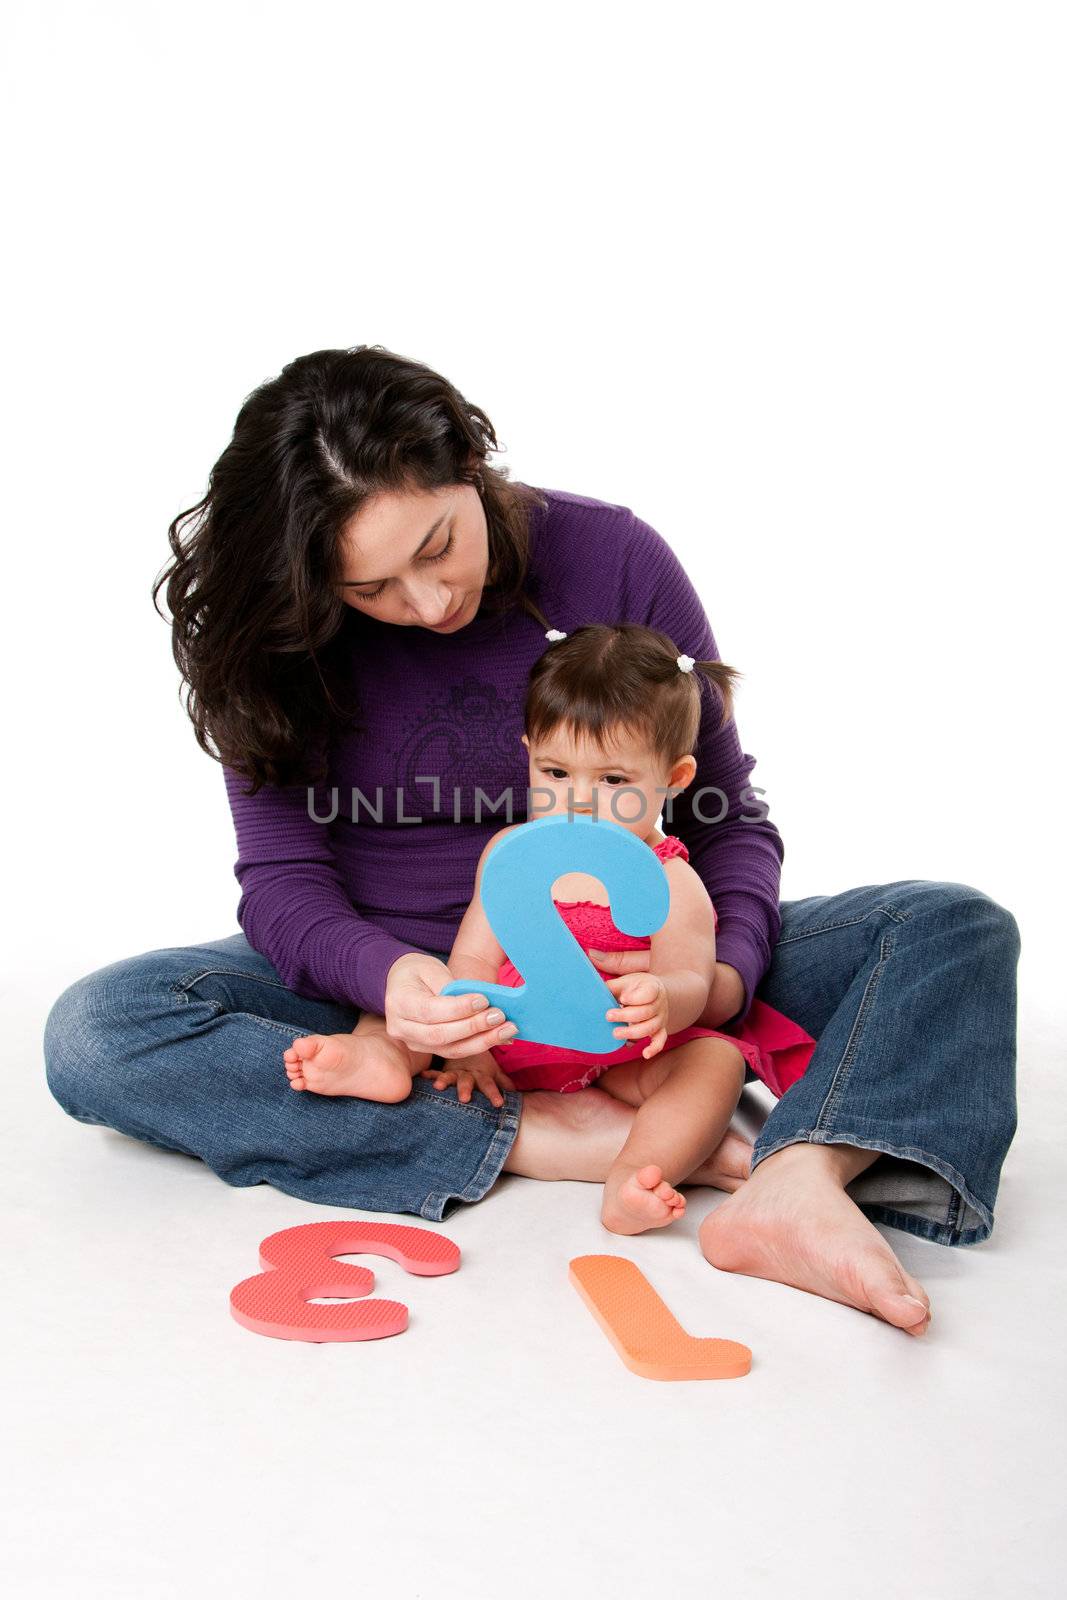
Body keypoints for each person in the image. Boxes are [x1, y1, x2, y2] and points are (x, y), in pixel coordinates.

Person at [42, 343, 1021, 1341]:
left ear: (468, 460)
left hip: (636, 977)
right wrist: (393, 984)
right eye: (369, 590)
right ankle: (548, 1137)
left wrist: (715, 980)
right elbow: (284, 882)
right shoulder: (279, 638)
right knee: (101, 1031)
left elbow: (727, 810)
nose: (424, 605)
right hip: (403, 984)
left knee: (945, 926)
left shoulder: (611, 558)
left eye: (434, 548)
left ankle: (795, 1177)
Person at [283, 621, 817, 1237]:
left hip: (615, 1056)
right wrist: (474, 1046)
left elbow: (693, 977)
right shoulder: (513, 853)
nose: (579, 800)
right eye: (556, 773)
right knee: (418, 993)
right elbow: (473, 961)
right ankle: (380, 1059)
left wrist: (664, 997)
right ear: (528, 752)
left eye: (613, 780)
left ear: (674, 777)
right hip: (508, 1032)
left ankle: (638, 1171)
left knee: (715, 1062)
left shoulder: (670, 880)